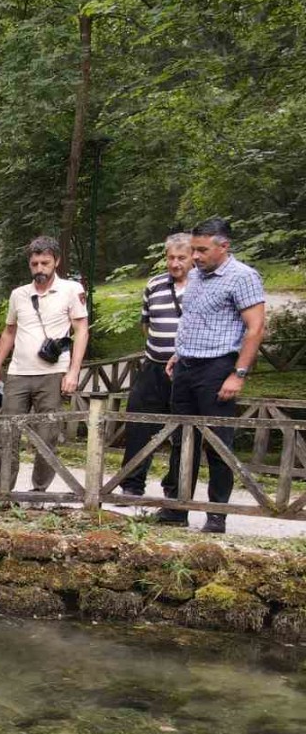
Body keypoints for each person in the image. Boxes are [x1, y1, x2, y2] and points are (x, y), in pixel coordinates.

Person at [154, 218, 266, 534]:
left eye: (202, 250)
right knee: (182, 439)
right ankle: (177, 508)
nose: (196, 256)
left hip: (218, 368)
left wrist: (238, 373)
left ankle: (217, 514)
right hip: (187, 366)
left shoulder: (242, 277)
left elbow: (255, 328)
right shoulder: (197, 276)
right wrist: (179, 351)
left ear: (223, 246)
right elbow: (195, 317)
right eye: (194, 250)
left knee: (217, 442)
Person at [0, 236, 89, 496]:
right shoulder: (19, 294)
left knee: (47, 435)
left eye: (45, 262)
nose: (40, 268)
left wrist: (74, 371)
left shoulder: (71, 290)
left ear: (56, 262)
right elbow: (9, 332)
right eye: (35, 263)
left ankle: (39, 492)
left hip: (52, 373)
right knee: (7, 433)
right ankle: (3, 492)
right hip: (18, 373)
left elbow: (81, 330)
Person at [121, 234, 191, 497]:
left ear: (192, 258)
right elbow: (145, 324)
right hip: (152, 367)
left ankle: (175, 488)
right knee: (139, 424)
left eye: (181, 258)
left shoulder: (202, 285)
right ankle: (131, 484)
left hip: (186, 370)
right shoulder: (154, 285)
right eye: (171, 257)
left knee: (182, 428)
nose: (175, 264)